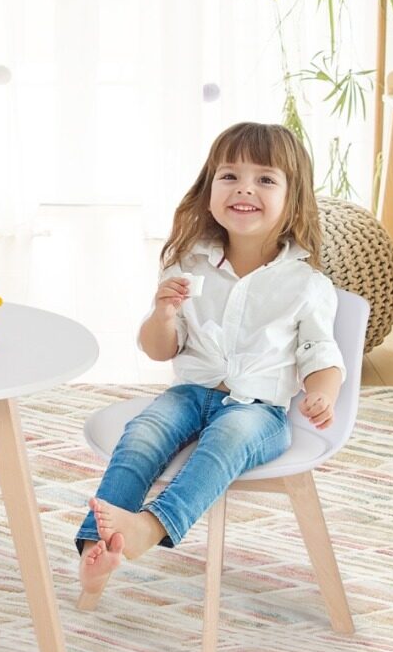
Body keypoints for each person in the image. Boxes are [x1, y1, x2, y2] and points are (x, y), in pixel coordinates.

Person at [78, 122, 345, 600]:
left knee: (226, 440)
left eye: (266, 179)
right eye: (230, 176)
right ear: (209, 190)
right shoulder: (187, 265)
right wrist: (163, 314)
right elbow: (159, 349)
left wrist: (323, 394)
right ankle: (96, 550)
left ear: (293, 200)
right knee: (141, 435)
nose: (245, 188)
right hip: (189, 393)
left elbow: (320, 353)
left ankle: (149, 528)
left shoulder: (306, 285)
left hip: (257, 409)